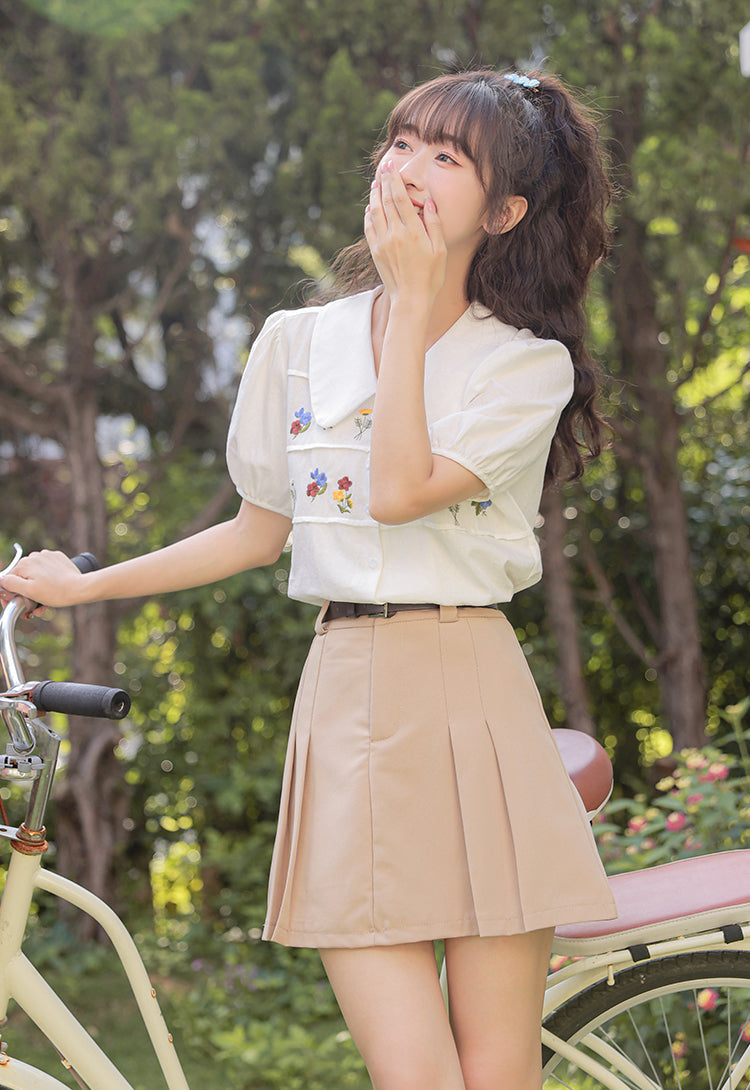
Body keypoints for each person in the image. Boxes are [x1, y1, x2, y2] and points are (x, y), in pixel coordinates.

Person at [1, 68, 617, 1090]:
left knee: (497, 1070)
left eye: (446, 157)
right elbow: (255, 530)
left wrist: (416, 308)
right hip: (349, 693)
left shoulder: (524, 366)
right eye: (402, 142)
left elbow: (400, 489)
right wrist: (83, 588)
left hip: (475, 692)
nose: (408, 169)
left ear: (505, 211)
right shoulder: (298, 343)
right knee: (410, 1074)